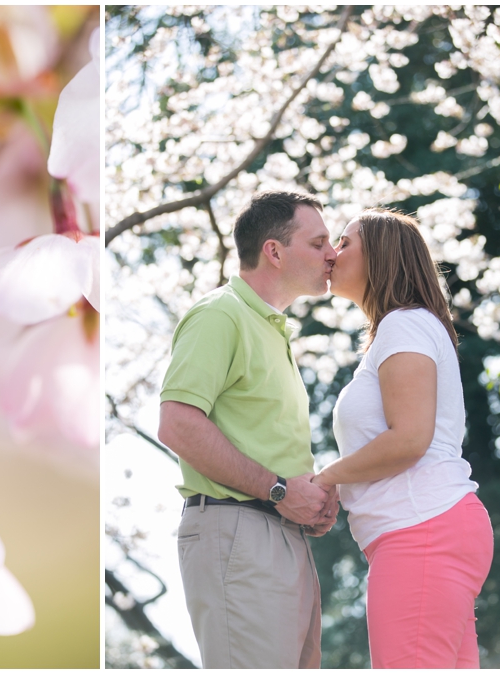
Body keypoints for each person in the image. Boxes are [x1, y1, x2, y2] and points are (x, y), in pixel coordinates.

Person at [158, 190, 339, 669]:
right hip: (240, 531)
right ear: (274, 252)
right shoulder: (221, 315)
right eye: (319, 242)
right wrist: (279, 489)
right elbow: (176, 423)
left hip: (279, 533)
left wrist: (308, 496)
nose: (332, 254)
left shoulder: (271, 328)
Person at [314, 208, 494, 668]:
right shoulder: (401, 329)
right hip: (426, 529)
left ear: (381, 255)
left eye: (345, 241)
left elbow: (410, 438)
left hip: (421, 530)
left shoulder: (404, 324)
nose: (332, 254)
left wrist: (327, 477)